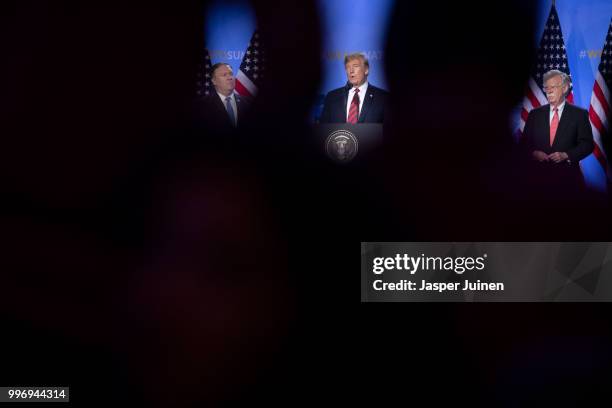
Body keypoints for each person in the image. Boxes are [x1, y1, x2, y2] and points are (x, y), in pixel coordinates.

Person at [523, 69, 593, 192]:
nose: (548, 91)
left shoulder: (579, 114)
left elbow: (587, 144)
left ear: (565, 88)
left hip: (568, 181)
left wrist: (566, 155)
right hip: (538, 181)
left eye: (553, 87)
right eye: (546, 87)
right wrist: (534, 154)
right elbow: (524, 145)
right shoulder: (535, 114)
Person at [319, 53, 389, 124]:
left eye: (355, 66)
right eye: (348, 67)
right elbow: (323, 129)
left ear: (366, 70)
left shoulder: (383, 98)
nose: (351, 71)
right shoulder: (332, 97)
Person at [200, 63, 251, 130]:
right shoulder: (202, 105)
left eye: (231, 74)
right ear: (214, 81)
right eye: (224, 75)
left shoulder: (248, 102)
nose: (230, 77)